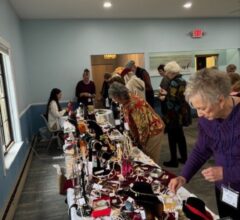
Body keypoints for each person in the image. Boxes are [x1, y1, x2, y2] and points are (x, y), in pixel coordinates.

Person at [168, 68, 240, 219]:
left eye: (202, 108)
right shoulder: (207, 119)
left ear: (220, 100)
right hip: (224, 189)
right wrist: (184, 176)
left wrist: (225, 173)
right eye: (196, 109)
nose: (199, 114)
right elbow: (202, 149)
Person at [108, 82, 165, 164]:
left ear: (117, 96)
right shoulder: (126, 100)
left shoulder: (134, 105)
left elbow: (143, 127)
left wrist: (140, 143)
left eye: (113, 98)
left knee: (150, 160)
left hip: (153, 131)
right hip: (146, 131)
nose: (113, 100)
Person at [162, 61, 189, 168]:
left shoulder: (173, 82)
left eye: (167, 72)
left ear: (172, 72)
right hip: (181, 113)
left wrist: (164, 97)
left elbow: (172, 100)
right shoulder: (183, 80)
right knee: (181, 137)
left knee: (172, 138)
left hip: (173, 114)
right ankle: (184, 158)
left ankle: (174, 161)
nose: (166, 74)